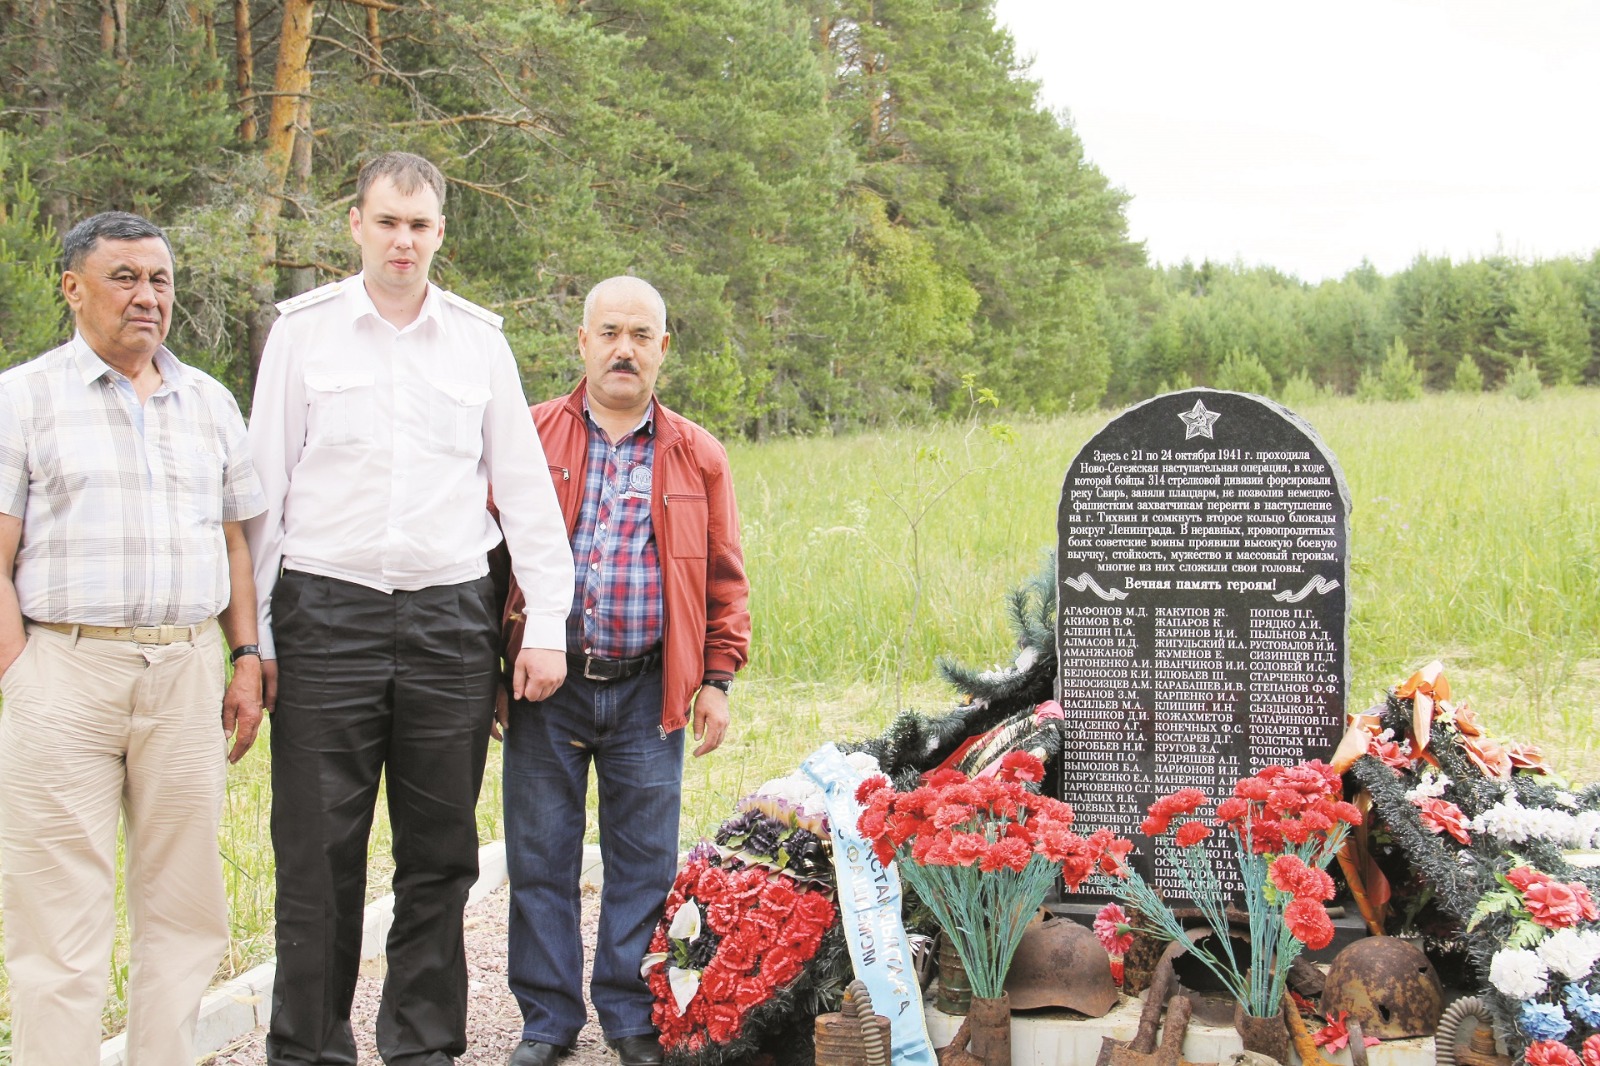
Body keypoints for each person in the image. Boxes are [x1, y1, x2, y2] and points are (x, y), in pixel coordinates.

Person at [245, 151, 573, 1066]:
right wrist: (256, 639)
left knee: (440, 851)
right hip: (326, 615)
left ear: (440, 233)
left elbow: (526, 494)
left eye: (420, 225)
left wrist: (546, 626)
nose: (403, 241)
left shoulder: (478, 342)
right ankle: (309, 1049)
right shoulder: (303, 335)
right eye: (387, 222)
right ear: (356, 224)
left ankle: (422, 1047)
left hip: (448, 621)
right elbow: (263, 495)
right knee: (318, 852)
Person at [0, 211, 266, 1065]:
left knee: (186, 911)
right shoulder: (22, 398)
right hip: (64, 669)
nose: (147, 296)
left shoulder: (209, 401)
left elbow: (236, 542)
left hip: (186, 671)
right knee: (58, 920)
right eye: (124, 278)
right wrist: (20, 672)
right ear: (72, 289)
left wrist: (245, 656)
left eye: (159, 279)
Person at [498, 276, 751, 1066]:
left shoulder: (696, 453)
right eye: (609, 332)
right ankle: (547, 1022)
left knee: (643, 863)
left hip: (649, 689)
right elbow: (489, 561)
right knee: (540, 859)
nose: (624, 349)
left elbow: (724, 577)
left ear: (663, 349)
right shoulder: (530, 435)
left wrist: (717, 679)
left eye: (641, 335)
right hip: (547, 687)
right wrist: (488, 677)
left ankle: (629, 1015)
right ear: (582, 342)